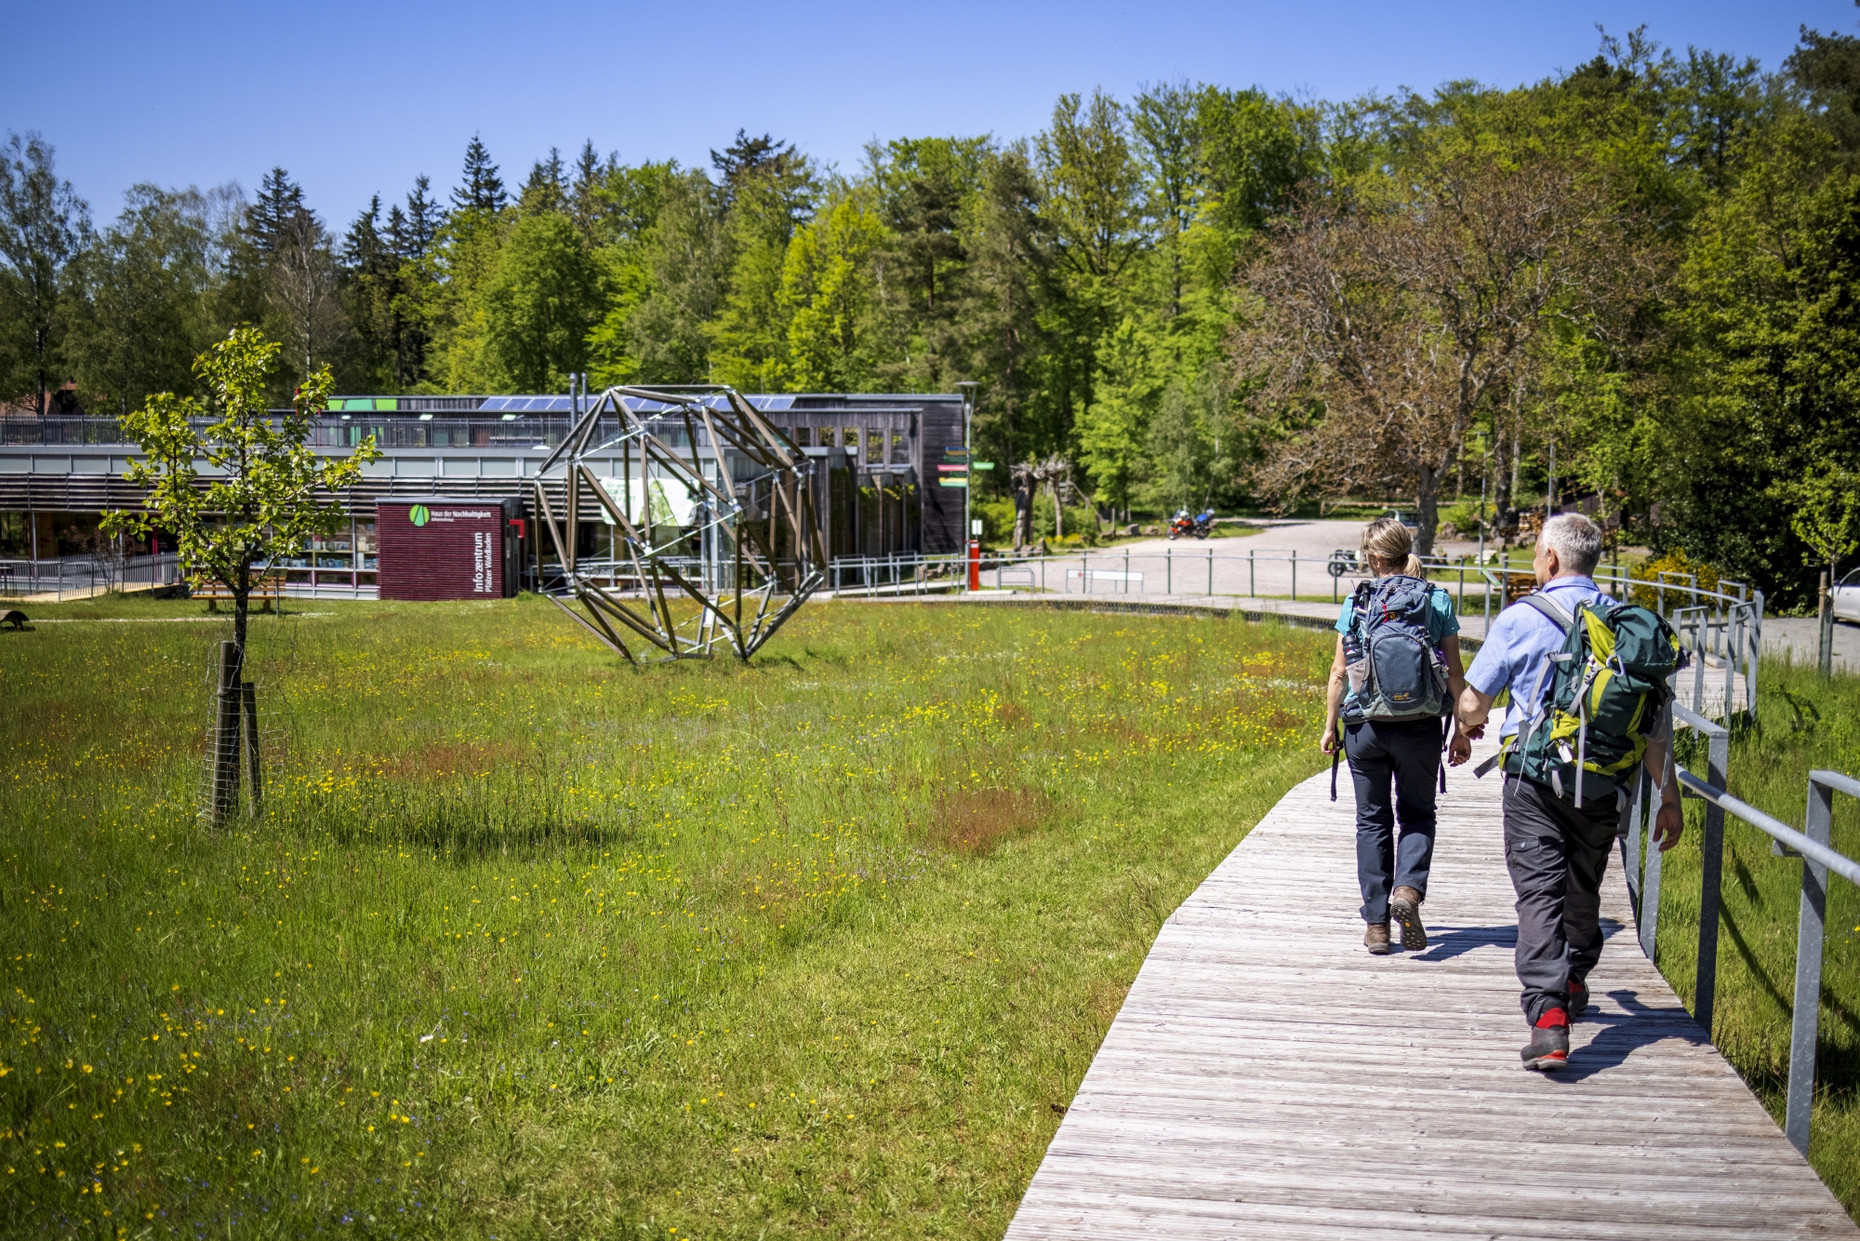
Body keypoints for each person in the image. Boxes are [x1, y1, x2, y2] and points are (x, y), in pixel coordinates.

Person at [1457, 513, 1684, 1071]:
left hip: (1534, 780)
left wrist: (1468, 724)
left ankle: (1549, 1018)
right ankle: (1575, 975)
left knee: (1538, 894)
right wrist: (1670, 797)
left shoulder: (1520, 619)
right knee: (1583, 888)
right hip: (1604, 783)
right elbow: (1653, 724)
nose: (1535, 561)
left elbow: (1473, 701)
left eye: (1537, 553)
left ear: (1552, 559)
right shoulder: (1625, 624)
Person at [1321, 518, 1472, 956]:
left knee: (1372, 820)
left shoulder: (1358, 600)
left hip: (1365, 728)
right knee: (1418, 814)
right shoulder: (1435, 598)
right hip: (1421, 727)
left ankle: (1376, 927)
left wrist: (1330, 726)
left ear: (1372, 557)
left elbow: (1337, 673)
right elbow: (1455, 672)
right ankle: (1407, 889)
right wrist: (1462, 729)